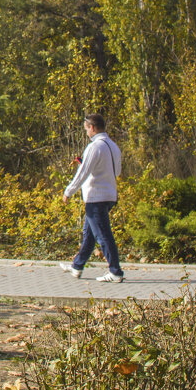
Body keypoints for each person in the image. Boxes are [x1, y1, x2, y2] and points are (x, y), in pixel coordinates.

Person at [60, 114, 125, 283]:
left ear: (92, 128)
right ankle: (77, 266)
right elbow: (116, 172)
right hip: (109, 194)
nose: (86, 132)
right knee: (89, 234)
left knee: (103, 235)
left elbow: (83, 172)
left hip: (96, 197)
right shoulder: (113, 146)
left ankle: (115, 271)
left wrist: (69, 191)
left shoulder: (94, 147)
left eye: (86, 129)